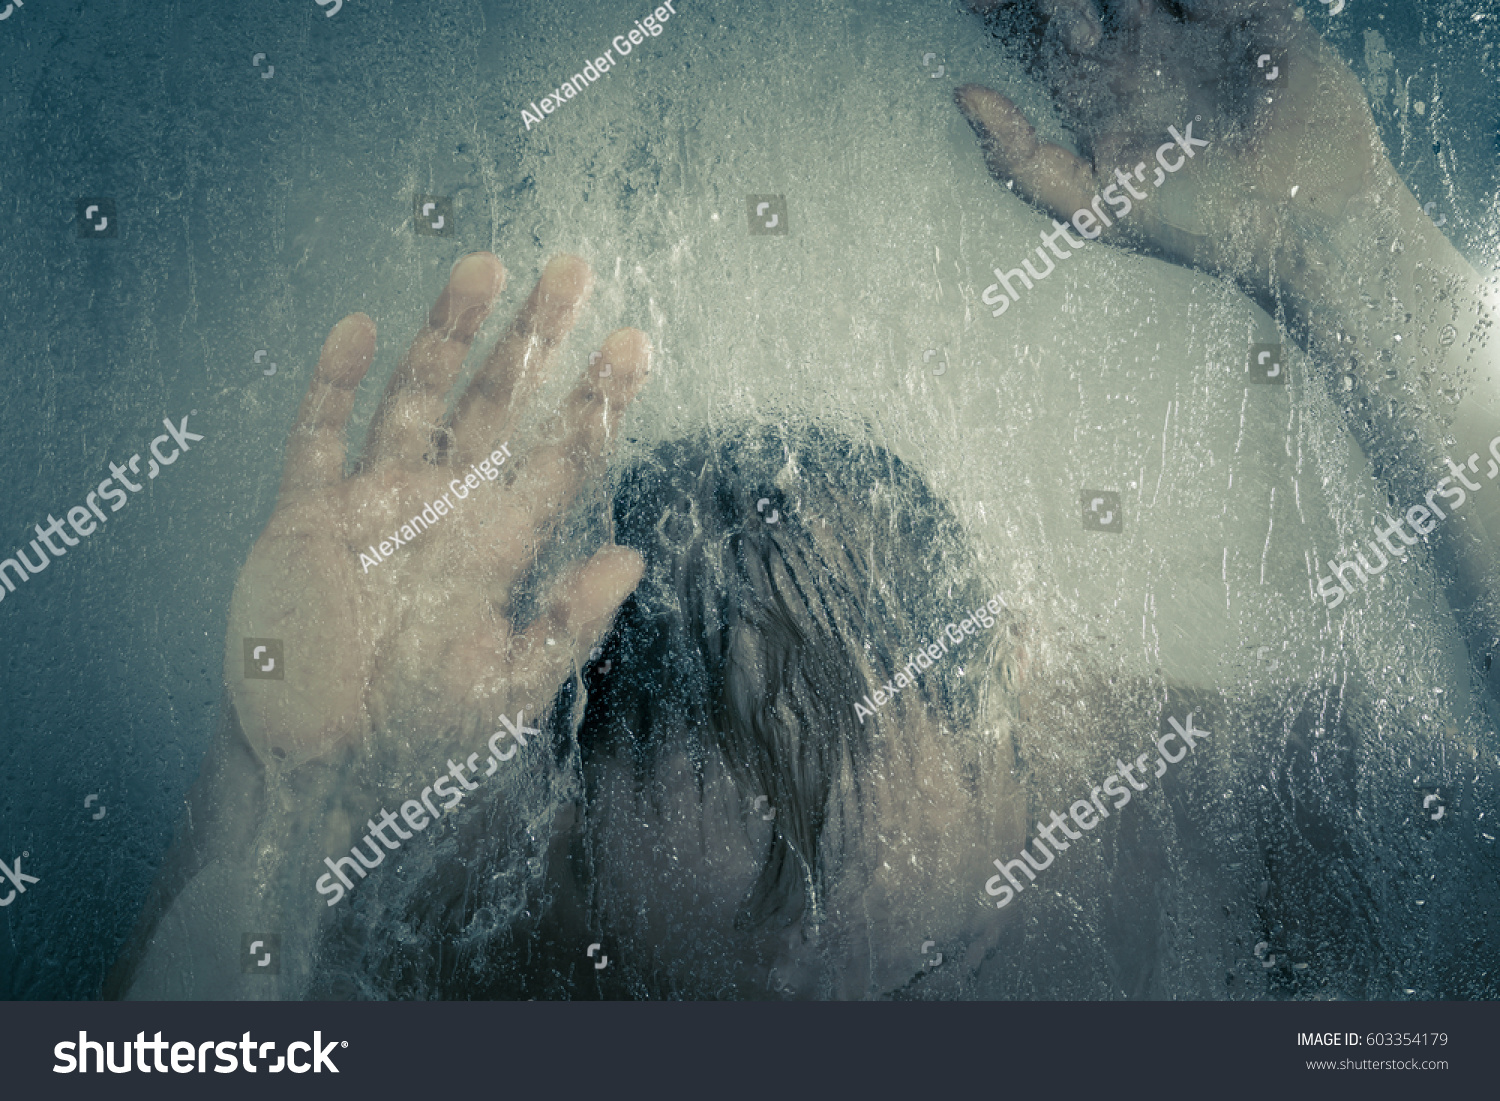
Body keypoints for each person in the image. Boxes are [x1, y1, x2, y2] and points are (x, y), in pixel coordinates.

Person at [106, 0, 1500, 1000]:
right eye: (698, 1005)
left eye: (933, 972)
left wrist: (1343, 249)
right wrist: (270, 796)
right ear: (567, 838)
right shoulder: (487, 882)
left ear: (1023, 692)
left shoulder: (1208, 811)